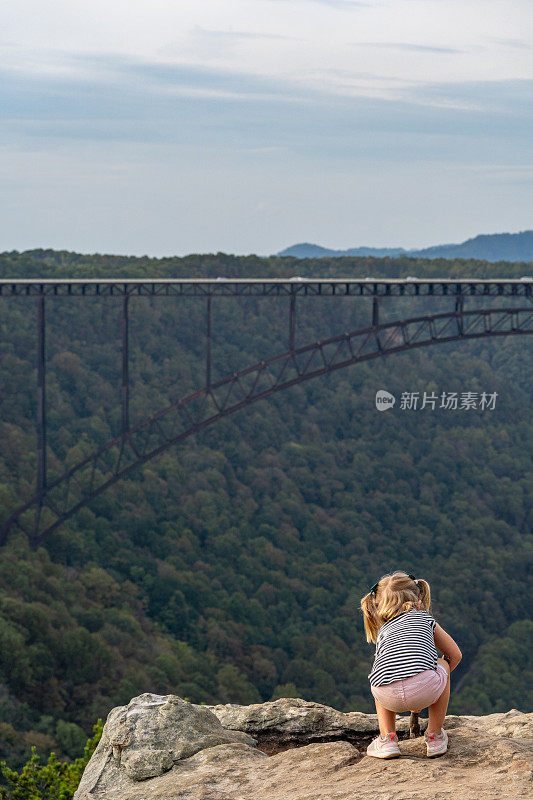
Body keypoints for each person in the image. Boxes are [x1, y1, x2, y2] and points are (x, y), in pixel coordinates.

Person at [360, 571, 462, 759]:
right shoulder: (426, 619)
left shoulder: (383, 631)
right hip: (425, 689)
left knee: (381, 674)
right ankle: (435, 736)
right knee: (442, 664)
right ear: (418, 596)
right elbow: (455, 655)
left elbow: (392, 671)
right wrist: (432, 685)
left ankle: (387, 739)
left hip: (386, 696)